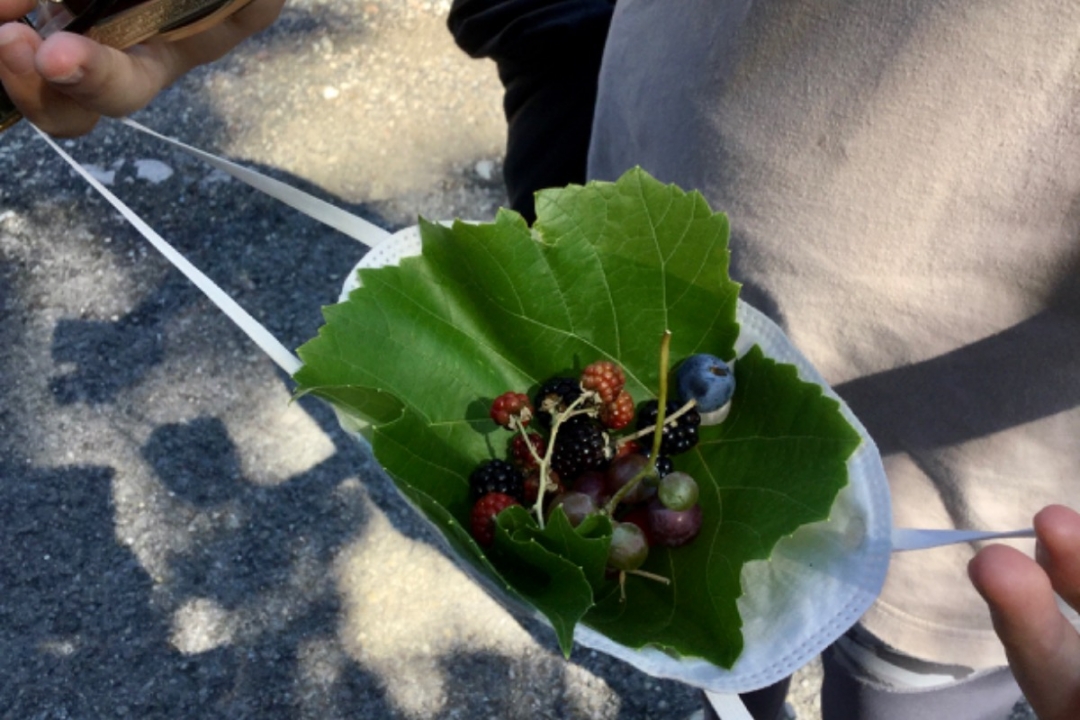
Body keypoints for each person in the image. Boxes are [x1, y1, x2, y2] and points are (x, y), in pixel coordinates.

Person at [3, 2, 1078, 718]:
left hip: (979, 517)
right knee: (705, 630)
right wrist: (550, 50)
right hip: (646, 203)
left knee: (911, 675)